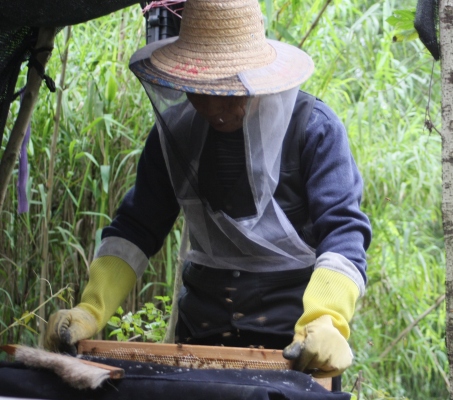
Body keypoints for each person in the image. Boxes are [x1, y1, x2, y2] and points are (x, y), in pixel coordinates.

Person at [44, 0, 371, 384]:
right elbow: (136, 227)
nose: (214, 106)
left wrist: (326, 320)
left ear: (255, 76)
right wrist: (90, 309)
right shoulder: (176, 134)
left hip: (294, 344)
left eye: (228, 90)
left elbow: (344, 231)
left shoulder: (313, 129)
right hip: (200, 332)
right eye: (202, 90)